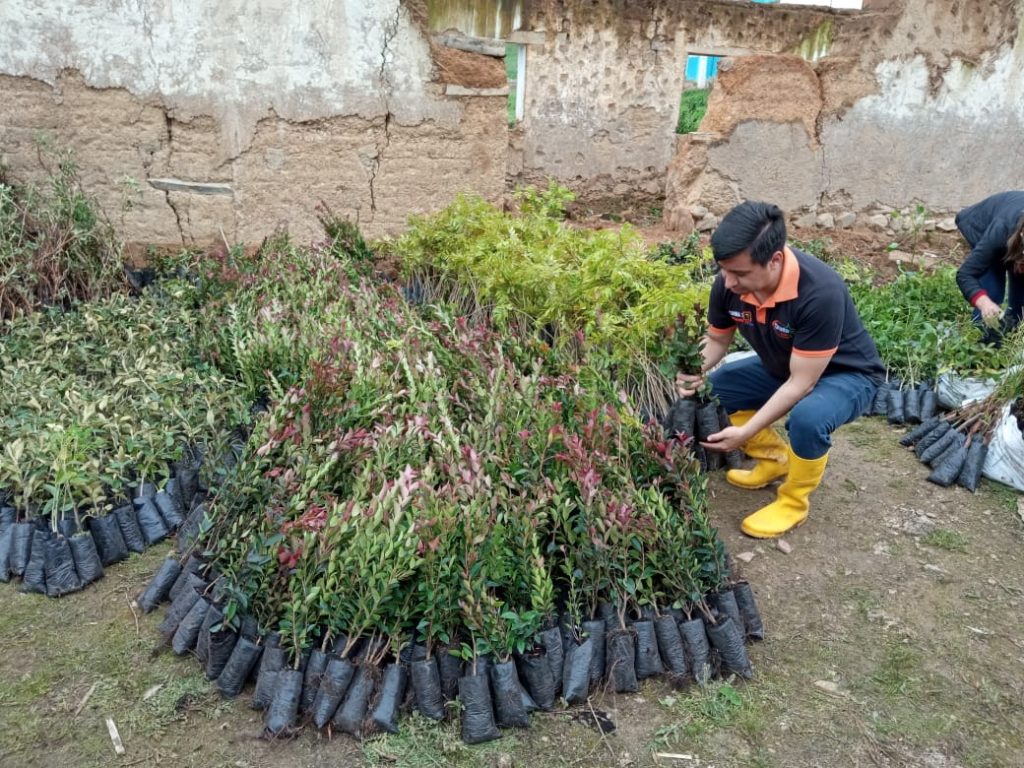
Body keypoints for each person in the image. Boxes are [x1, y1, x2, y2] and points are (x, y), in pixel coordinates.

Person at [677, 201, 885, 538]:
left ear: (774, 260)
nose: (728, 282)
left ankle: (793, 501)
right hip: (784, 366)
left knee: (808, 418)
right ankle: (773, 459)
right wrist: (691, 369)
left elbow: (801, 385)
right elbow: (717, 340)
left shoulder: (819, 292)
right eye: (723, 270)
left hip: (846, 375)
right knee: (716, 390)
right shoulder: (730, 284)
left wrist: (744, 433)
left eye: (740, 273)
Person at [954, 191, 1024, 339]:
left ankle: (1011, 340)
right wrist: (984, 302)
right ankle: (980, 348)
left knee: (1020, 304)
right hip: (982, 226)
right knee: (992, 292)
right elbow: (965, 274)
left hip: (1014, 235)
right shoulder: (1001, 230)